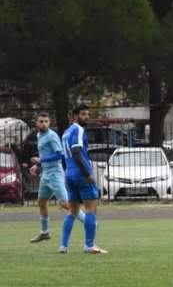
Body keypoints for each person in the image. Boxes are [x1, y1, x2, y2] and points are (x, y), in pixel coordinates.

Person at [29, 112, 86, 243]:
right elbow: (46, 154)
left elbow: (59, 155)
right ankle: (45, 232)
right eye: (41, 121)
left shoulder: (52, 136)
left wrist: (40, 159)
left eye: (46, 121)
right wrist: (38, 166)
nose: (43, 124)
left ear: (49, 123)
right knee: (41, 202)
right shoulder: (39, 135)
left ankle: (89, 222)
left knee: (65, 204)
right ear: (36, 123)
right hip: (45, 174)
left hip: (55, 174)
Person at [60, 104, 106, 254]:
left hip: (69, 174)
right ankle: (89, 245)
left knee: (72, 211)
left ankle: (63, 246)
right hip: (81, 174)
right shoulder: (78, 130)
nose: (86, 117)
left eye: (87, 114)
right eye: (83, 114)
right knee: (90, 208)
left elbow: (64, 155)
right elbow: (76, 151)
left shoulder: (66, 132)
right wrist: (87, 174)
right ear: (75, 115)